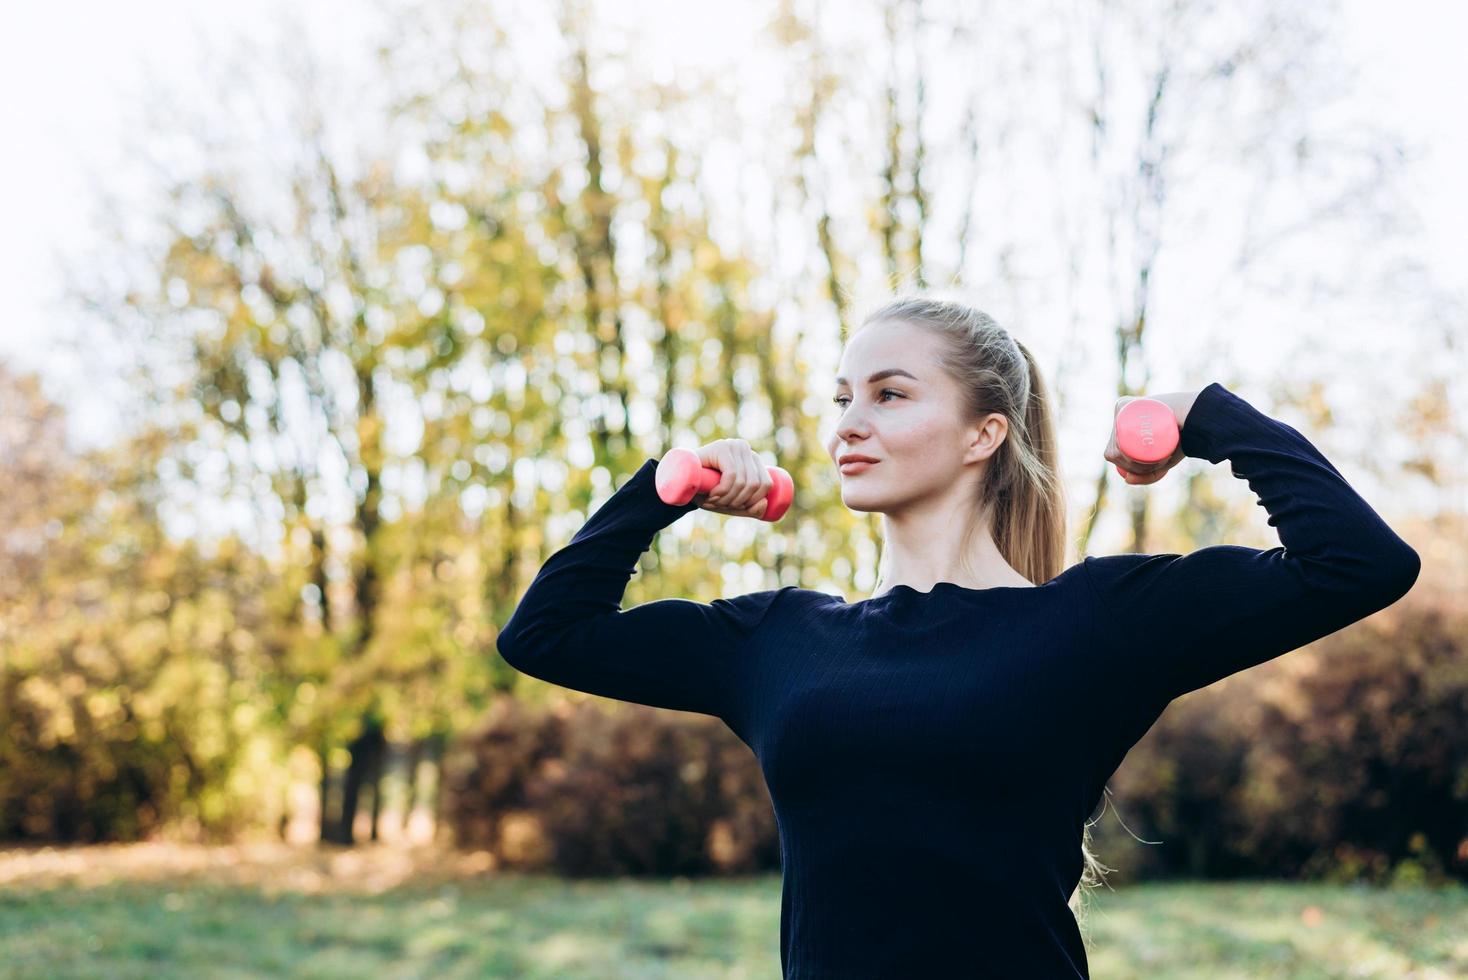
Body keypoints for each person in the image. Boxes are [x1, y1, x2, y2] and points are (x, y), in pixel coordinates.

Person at [495, 293, 1421, 978]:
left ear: (985, 434)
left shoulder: (1097, 623)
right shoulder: (779, 639)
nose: (849, 424)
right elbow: (547, 634)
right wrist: (663, 490)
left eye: (890, 395)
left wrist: (1204, 416)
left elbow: (1359, 563)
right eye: (843, 397)